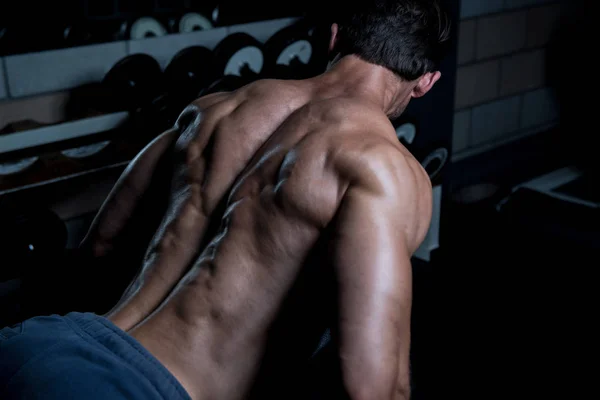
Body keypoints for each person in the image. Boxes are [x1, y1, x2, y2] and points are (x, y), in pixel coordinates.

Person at [0, 1, 450, 399]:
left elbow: (99, 249)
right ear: (426, 82)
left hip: (45, 345)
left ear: (332, 36)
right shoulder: (382, 165)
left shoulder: (212, 110)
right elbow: (372, 387)